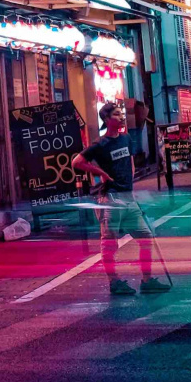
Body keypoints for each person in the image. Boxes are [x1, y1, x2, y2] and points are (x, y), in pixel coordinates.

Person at [73, 101, 171, 297]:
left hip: (128, 199)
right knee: (109, 244)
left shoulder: (126, 138)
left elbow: (130, 163)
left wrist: (130, 186)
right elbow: (77, 162)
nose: (122, 117)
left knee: (145, 237)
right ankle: (114, 282)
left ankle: (147, 280)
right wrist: (100, 172)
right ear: (107, 119)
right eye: (117, 114)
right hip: (110, 200)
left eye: (121, 113)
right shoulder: (100, 144)